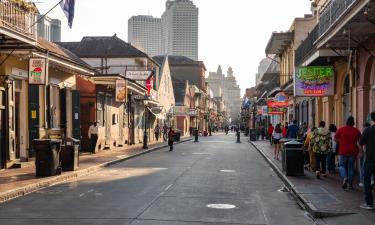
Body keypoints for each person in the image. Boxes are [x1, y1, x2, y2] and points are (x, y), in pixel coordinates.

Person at [335, 116, 361, 190]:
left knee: (342, 166)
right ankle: (350, 185)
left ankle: (345, 177)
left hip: (343, 151)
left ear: (346, 122)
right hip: (353, 152)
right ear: (353, 122)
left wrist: (341, 141)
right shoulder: (356, 131)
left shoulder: (341, 129)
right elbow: (360, 141)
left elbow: (335, 138)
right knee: (351, 168)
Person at [359, 111, 375, 210]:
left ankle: (369, 203)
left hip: (370, 158)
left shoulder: (368, 130)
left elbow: (361, 142)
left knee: (367, 179)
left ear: (372, 119)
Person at [359, 122, 371, 187]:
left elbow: (360, 143)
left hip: (365, 153)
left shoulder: (364, 132)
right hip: (369, 153)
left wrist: (360, 152)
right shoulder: (371, 131)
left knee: (363, 167)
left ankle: (362, 181)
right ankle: (371, 180)